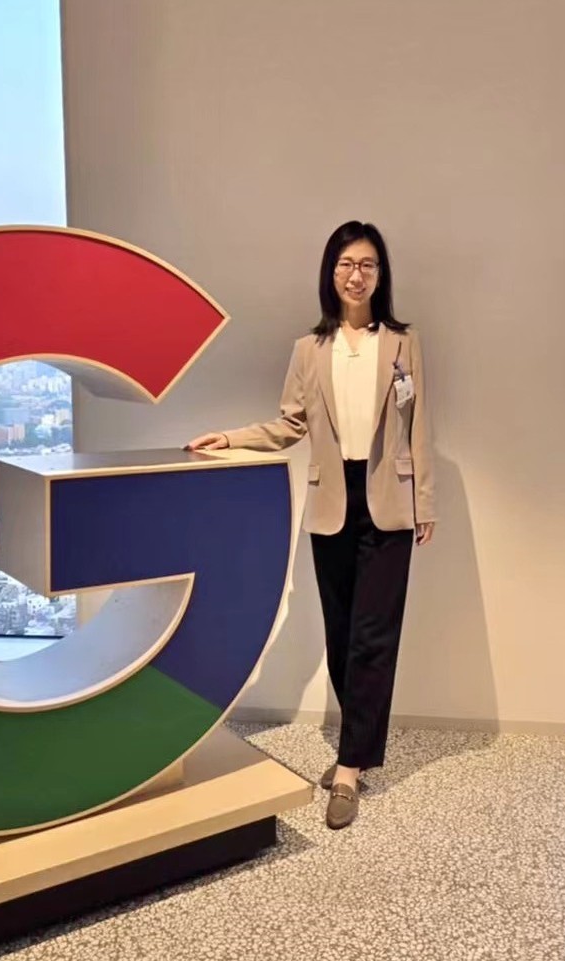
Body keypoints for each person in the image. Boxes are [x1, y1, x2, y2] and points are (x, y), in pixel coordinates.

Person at [186, 220, 435, 830]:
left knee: (375, 634)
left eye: (368, 264)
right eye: (347, 264)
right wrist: (232, 439)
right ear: (331, 273)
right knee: (342, 632)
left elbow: (418, 426)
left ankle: (348, 767)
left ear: (381, 274)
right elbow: (290, 424)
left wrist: (424, 502)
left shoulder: (402, 343)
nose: (357, 275)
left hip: (388, 497)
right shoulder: (309, 349)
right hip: (332, 499)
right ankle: (358, 746)